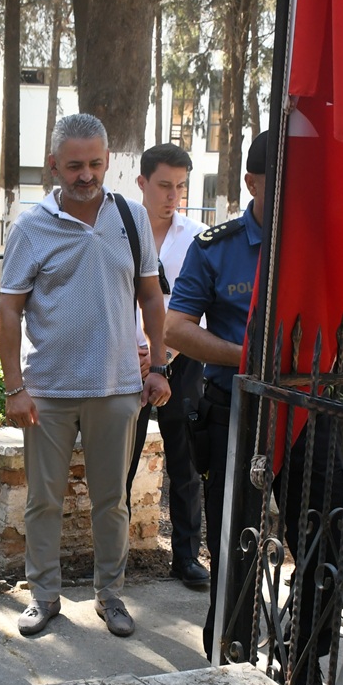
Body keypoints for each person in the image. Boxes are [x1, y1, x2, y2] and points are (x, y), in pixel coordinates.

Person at [166, 131, 343, 685]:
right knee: (237, 541)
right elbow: (178, 327)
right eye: (281, 187)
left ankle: (306, 661)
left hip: (309, 410)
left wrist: (314, 360)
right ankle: (225, 661)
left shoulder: (324, 243)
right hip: (238, 411)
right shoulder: (217, 246)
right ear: (252, 183)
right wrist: (251, 361)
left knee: (323, 538)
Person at [0, 112, 171, 639]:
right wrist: (14, 387)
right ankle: (43, 595)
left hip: (117, 388)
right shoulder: (31, 228)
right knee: (44, 500)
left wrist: (159, 365)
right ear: (54, 165)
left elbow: (150, 296)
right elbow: (9, 311)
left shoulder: (130, 217)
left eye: (95, 163)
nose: (86, 175)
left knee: (111, 500)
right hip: (47, 392)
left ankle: (111, 594)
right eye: (74, 165)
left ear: (108, 162)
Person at [128, 143, 210, 588]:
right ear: (142, 183)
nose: (172, 195)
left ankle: (186, 558)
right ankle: (113, 557)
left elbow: (198, 308)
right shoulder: (118, 232)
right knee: (121, 461)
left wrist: (165, 352)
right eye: (164, 185)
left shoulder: (199, 237)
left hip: (183, 365)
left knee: (186, 466)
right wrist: (136, 352)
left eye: (180, 186)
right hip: (128, 363)